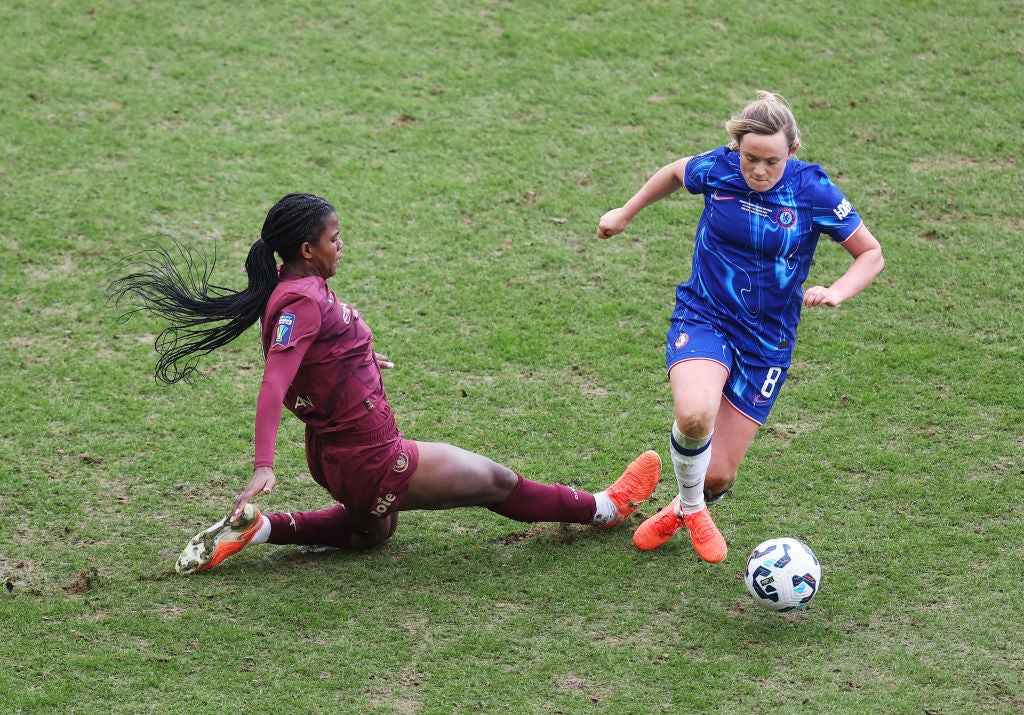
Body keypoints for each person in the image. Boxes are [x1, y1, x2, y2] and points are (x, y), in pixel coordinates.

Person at [109, 193, 662, 574]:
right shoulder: (299, 300)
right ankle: (605, 508)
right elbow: (274, 384)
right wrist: (261, 464)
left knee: (371, 534)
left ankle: (258, 531)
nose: (340, 244)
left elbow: (318, 349)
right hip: (370, 455)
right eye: (334, 237)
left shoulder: (289, 283)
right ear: (308, 249)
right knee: (494, 483)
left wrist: (361, 358)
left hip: (334, 455)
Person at [597, 91, 884, 563]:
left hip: (767, 342)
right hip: (705, 315)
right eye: (750, 158)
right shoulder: (720, 167)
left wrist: (838, 290)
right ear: (737, 149)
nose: (759, 170)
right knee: (694, 415)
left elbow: (870, 254)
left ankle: (682, 508)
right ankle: (693, 508)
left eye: (772, 161)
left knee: (719, 476)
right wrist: (625, 212)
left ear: (792, 151)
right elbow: (674, 172)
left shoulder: (813, 191)